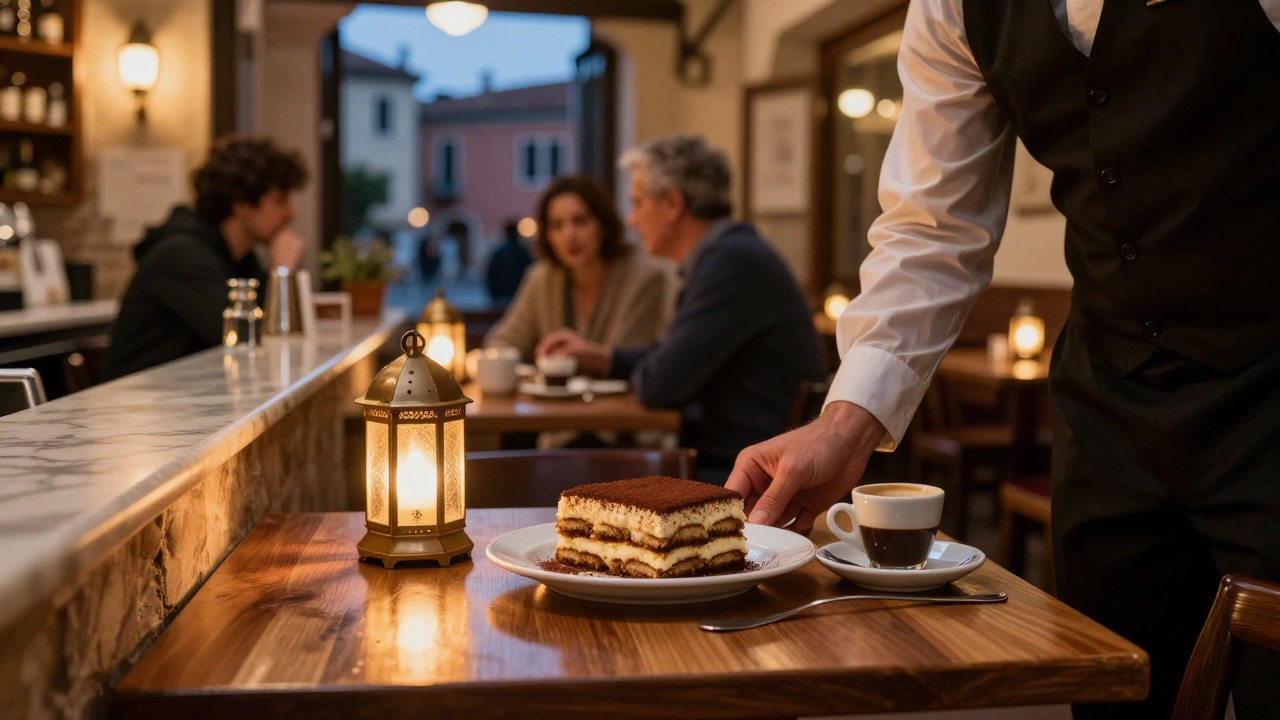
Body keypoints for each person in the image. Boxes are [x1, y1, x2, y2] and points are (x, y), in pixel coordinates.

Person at [727, 2, 1280, 718]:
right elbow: (932, 226)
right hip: (1109, 404)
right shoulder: (952, 7)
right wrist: (845, 421)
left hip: (1270, 390)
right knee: (1114, 688)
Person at [539, 136, 823, 484]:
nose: (631, 219)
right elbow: (667, 360)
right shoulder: (729, 254)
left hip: (742, 474)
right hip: (738, 460)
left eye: (638, 203)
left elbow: (659, 384)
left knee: (565, 475)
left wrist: (647, 367)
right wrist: (602, 357)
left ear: (672, 204)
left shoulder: (730, 263)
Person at [104, 136, 308, 380]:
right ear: (242, 203)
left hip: (188, 399)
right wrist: (281, 272)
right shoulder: (180, 256)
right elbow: (245, 340)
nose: (291, 213)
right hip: (136, 408)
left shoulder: (241, 259)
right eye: (280, 200)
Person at [484, 174, 673, 362]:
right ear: (547, 235)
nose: (569, 235)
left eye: (580, 221)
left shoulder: (643, 276)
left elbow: (632, 358)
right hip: (549, 391)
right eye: (557, 225)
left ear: (604, 225)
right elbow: (501, 342)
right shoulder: (541, 278)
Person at [485, 220, 533, 306]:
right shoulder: (523, 252)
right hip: (520, 298)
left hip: (501, 299)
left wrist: (495, 296)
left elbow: (491, 276)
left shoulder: (499, 253)